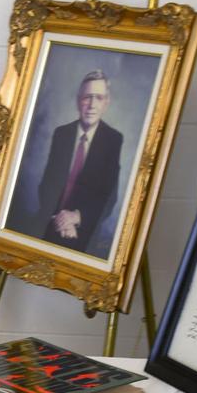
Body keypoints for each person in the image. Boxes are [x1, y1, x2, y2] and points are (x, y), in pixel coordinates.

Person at [37, 69, 123, 255]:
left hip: (83, 232)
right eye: (87, 97)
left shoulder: (113, 140)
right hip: (50, 224)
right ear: (78, 101)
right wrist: (59, 221)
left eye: (99, 98)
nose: (92, 105)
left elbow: (109, 198)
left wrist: (76, 218)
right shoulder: (62, 134)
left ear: (106, 103)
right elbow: (46, 185)